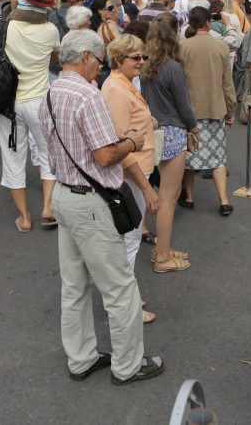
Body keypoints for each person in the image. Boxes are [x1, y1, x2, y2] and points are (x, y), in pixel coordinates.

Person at [40, 29, 165, 385]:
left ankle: (81, 358)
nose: (99, 67)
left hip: (65, 194)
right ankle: (127, 365)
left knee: (74, 285)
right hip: (91, 202)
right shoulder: (88, 96)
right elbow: (105, 155)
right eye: (97, 61)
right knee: (119, 288)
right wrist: (132, 141)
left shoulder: (52, 92)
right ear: (85, 58)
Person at [0, 0, 60, 232]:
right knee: (48, 155)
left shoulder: (1, 28)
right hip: (40, 102)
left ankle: (24, 217)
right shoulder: (51, 30)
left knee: (13, 159)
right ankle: (48, 208)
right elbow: (54, 57)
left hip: (8, 104)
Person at [101, 34, 162, 322]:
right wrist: (147, 188)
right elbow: (119, 145)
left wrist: (146, 121)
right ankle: (126, 306)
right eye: (135, 57)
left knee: (129, 238)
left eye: (143, 56)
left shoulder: (123, 85)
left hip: (136, 171)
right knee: (129, 240)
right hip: (130, 175)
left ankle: (128, 295)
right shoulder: (115, 89)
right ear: (117, 60)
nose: (141, 61)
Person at [141, 14, 198, 273]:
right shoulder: (173, 67)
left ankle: (161, 247)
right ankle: (162, 255)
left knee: (162, 195)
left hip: (153, 131)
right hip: (174, 132)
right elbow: (184, 106)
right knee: (168, 199)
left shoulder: (145, 66)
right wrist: (193, 126)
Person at [179, 7, 237, 215]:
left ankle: (189, 197)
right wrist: (231, 108)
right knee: (218, 157)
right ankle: (223, 200)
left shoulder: (183, 47)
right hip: (215, 108)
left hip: (191, 110)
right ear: (208, 23)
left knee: (190, 157)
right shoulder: (220, 46)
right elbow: (227, 82)